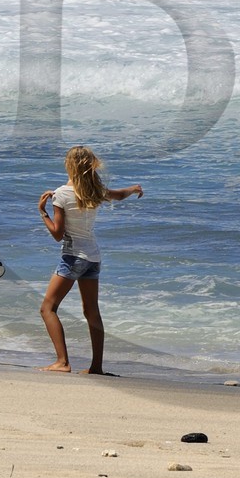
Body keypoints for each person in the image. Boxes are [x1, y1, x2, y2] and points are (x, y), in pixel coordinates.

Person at [36, 145, 143, 374]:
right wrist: (134, 189)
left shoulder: (61, 194)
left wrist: (43, 212)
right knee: (92, 311)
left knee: (48, 308)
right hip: (93, 257)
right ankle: (96, 367)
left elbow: (57, 234)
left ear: (69, 165)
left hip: (73, 257)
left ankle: (62, 362)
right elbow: (119, 195)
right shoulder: (95, 190)